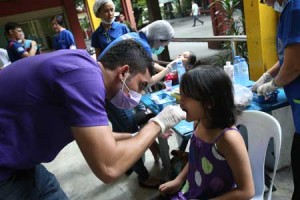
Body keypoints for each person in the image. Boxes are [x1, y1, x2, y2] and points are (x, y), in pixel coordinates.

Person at [0, 39, 186, 199]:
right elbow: (109, 167)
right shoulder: (85, 80)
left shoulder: (84, 67)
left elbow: (102, 138)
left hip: (21, 162)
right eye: (141, 84)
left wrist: (137, 135)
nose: (141, 93)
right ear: (123, 73)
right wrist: (158, 123)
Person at [100, 20, 176, 189]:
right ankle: (143, 176)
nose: (163, 47)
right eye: (164, 43)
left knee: (127, 129)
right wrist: (168, 69)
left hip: (109, 90)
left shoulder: (135, 38)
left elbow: (147, 66)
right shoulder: (142, 45)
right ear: (158, 38)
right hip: (112, 94)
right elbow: (147, 81)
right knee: (129, 129)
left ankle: (140, 158)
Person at [159, 66, 255, 199]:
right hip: (191, 192)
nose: (180, 101)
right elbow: (195, 159)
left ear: (209, 102)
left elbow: (247, 191)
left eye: (186, 97)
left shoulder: (228, 138)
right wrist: (179, 180)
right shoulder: (198, 122)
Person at [251, 0, 300, 199]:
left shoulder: (295, 9)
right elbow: (287, 57)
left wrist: (273, 85)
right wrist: (267, 76)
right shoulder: (290, 9)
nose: (265, 3)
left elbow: (294, 65)